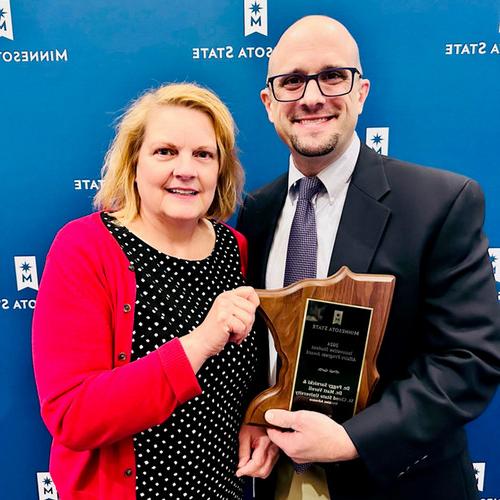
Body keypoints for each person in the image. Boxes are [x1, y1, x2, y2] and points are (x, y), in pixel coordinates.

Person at [236, 15, 500, 500]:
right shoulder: (254, 212)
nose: (311, 96)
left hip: (398, 483)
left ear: (360, 92)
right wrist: (253, 417)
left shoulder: (441, 202)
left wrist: (352, 439)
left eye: (332, 76)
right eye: (291, 81)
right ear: (269, 103)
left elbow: (469, 359)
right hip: (275, 478)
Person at [32, 82, 277, 500]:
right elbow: (72, 415)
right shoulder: (85, 249)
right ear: (133, 163)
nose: (186, 169)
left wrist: (255, 417)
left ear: (221, 170)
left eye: (203, 154)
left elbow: (245, 374)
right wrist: (197, 345)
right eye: (165, 151)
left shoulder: (234, 248)